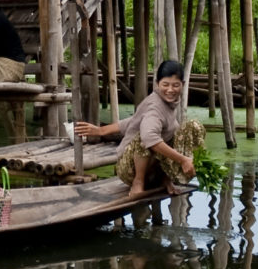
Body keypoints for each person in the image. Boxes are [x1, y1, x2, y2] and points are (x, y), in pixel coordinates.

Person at [74, 59, 203, 195]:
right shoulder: (155, 106)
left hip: (154, 167)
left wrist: (101, 130)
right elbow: (148, 136)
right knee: (146, 137)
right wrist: (183, 160)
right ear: (157, 84)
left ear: (182, 84)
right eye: (165, 84)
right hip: (129, 169)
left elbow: (135, 120)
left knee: (193, 126)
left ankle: (165, 179)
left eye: (175, 85)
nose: (170, 90)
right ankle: (138, 182)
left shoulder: (169, 104)